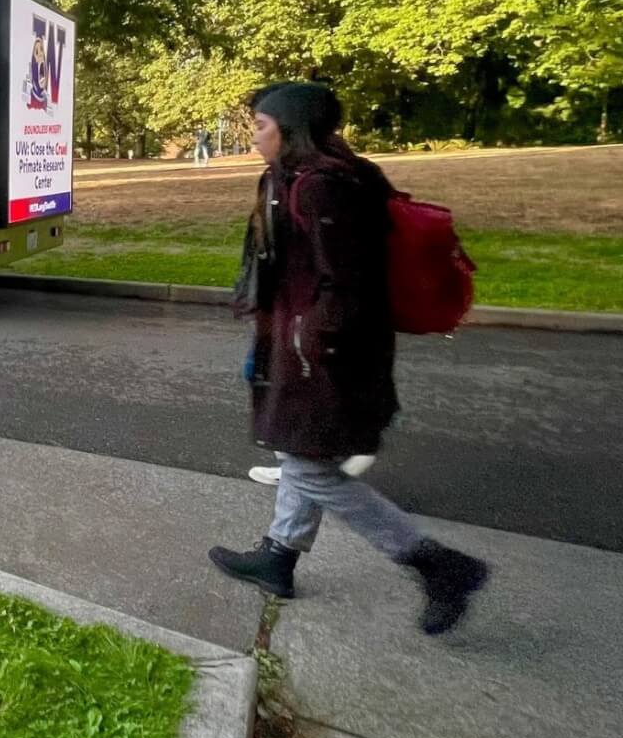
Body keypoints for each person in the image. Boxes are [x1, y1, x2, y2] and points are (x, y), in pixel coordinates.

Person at [209, 81, 489, 636]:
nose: (254, 135)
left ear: (290, 129)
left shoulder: (322, 189)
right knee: (300, 456)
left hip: (326, 357)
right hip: (309, 347)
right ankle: (278, 556)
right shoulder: (312, 176)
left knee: (313, 469)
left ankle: (437, 564)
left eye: (261, 125)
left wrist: (305, 348)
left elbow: (346, 283)